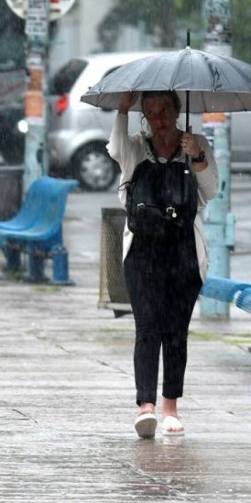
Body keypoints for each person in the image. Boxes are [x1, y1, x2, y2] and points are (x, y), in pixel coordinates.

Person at [108, 90, 218, 438]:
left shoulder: (194, 142)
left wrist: (196, 155)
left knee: (175, 331)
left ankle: (170, 406)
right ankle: (146, 407)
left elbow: (211, 188)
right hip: (142, 252)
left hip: (183, 252)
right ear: (144, 115)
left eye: (164, 110)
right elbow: (114, 148)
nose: (158, 117)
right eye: (151, 111)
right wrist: (123, 110)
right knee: (147, 327)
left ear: (176, 110)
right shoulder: (136, 147)